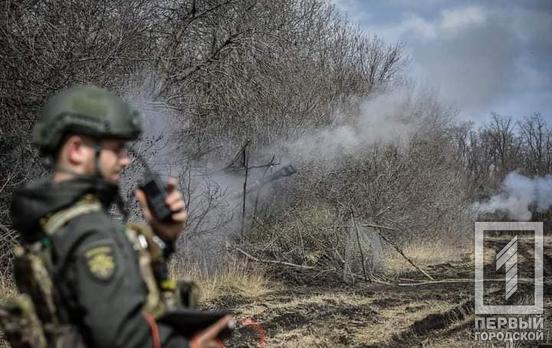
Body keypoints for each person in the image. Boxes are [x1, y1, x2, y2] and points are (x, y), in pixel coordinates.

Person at [8, 85, 232, 348]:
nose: (125, 160)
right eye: (116, 148)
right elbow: (124, 338)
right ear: (77, 149)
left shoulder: (49, 220)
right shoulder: (90, 231)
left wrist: (162, 238)